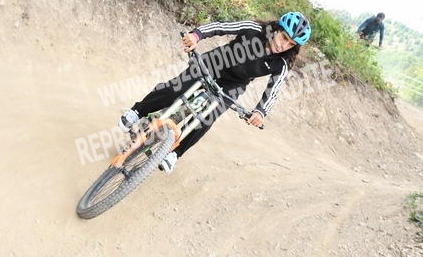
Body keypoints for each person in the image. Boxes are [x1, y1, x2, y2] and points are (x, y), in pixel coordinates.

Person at [118, 11, 311, 174]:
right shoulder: (254, 29)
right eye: (284, 37)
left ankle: (175, 154)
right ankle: (137, 111)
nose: (283, 45)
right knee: (175, 88)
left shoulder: (282, 63)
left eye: (291, 44)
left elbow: (274, 90)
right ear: (277, 28)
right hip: (214, 63)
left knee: (208, 116)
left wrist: (260, 112)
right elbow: (221, 26)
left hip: (234, 84)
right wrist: (197, 35)